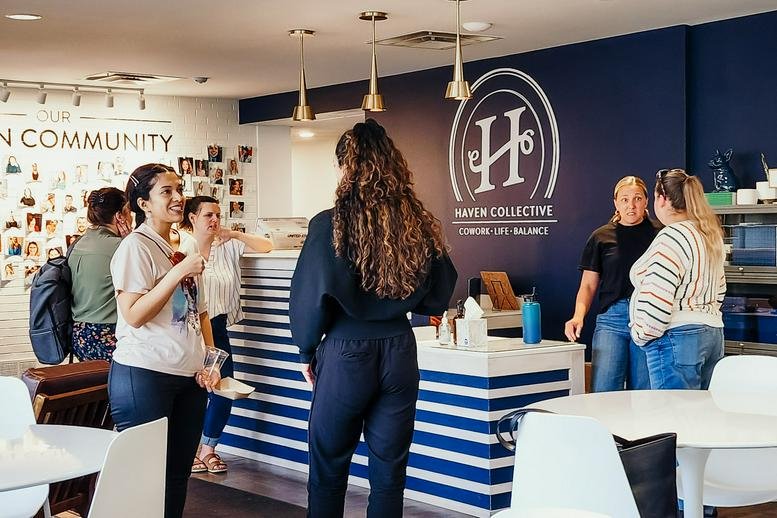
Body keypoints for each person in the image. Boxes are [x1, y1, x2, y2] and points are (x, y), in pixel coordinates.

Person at [289, 119, 457, 517]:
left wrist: (306, 350)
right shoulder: (415, 220)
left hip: (347, 352)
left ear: (346, 167)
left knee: (329, 466)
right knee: (389, 471)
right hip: (400, 350)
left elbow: (310, 295)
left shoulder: (330, 223)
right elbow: (441, 286)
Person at [108, 163, 219, 518]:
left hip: (189, 379)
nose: (177, 198)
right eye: (166, 192)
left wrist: (210, 362)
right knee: (144, 477)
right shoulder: (134, 247)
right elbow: (135, 315)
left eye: (178, 189)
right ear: (143, 203)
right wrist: (178, 271)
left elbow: (199, 312)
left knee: (176, 476)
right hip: (144, 374)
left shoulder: (184, 244)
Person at [180, 196, 272, 474]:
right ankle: (189, 449)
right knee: (189, 393)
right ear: (193, 217)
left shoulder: (228, 246)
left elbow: (268, 246)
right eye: (208, 215)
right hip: (187, 330)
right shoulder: (183, 247)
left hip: (218, 327)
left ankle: (209, 449)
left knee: (222, 390)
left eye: (218, 215)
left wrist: (233, 233)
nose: (215, 220)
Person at [630, 168, 726, 390]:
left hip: (676, 337)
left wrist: (642, 335)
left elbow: (658, 295)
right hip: (712, 334)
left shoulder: (671, 236)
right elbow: (720, 290)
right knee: (700, 417)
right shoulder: (709, 234)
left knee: (672, 417)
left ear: (661, 199)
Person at [565, 176, 660, 392]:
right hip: (612, 321)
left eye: (637, 198)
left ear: (646, 201)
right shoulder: (600, 237)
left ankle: (643, 428)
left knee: (645, 392)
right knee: (604, 390)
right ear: (616, 203)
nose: (631, 205)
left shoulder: (660, 234)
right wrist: (578, 316)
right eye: (625, 199)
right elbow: (588, 286)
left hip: (648, 319)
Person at [68, 187, 132, 361]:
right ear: (120, 215)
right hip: (108, 335)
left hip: (79, 335)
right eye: (129, 211)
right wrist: (132, 241)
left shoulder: (77, 243)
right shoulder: (121, 246)